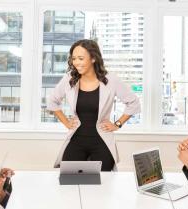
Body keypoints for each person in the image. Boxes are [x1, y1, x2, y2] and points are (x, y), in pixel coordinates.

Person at [47, 39, 141, 171]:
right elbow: (52, 101)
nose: (76, 63)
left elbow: (134, 102)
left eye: (81, 58)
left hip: (102, 142)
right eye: (74, 58)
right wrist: (67, 123)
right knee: (69, 182)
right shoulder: (69, 79)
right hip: (76, 140)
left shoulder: (110, 79)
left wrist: (117, 124)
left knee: (102, 185)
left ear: (93, 58)